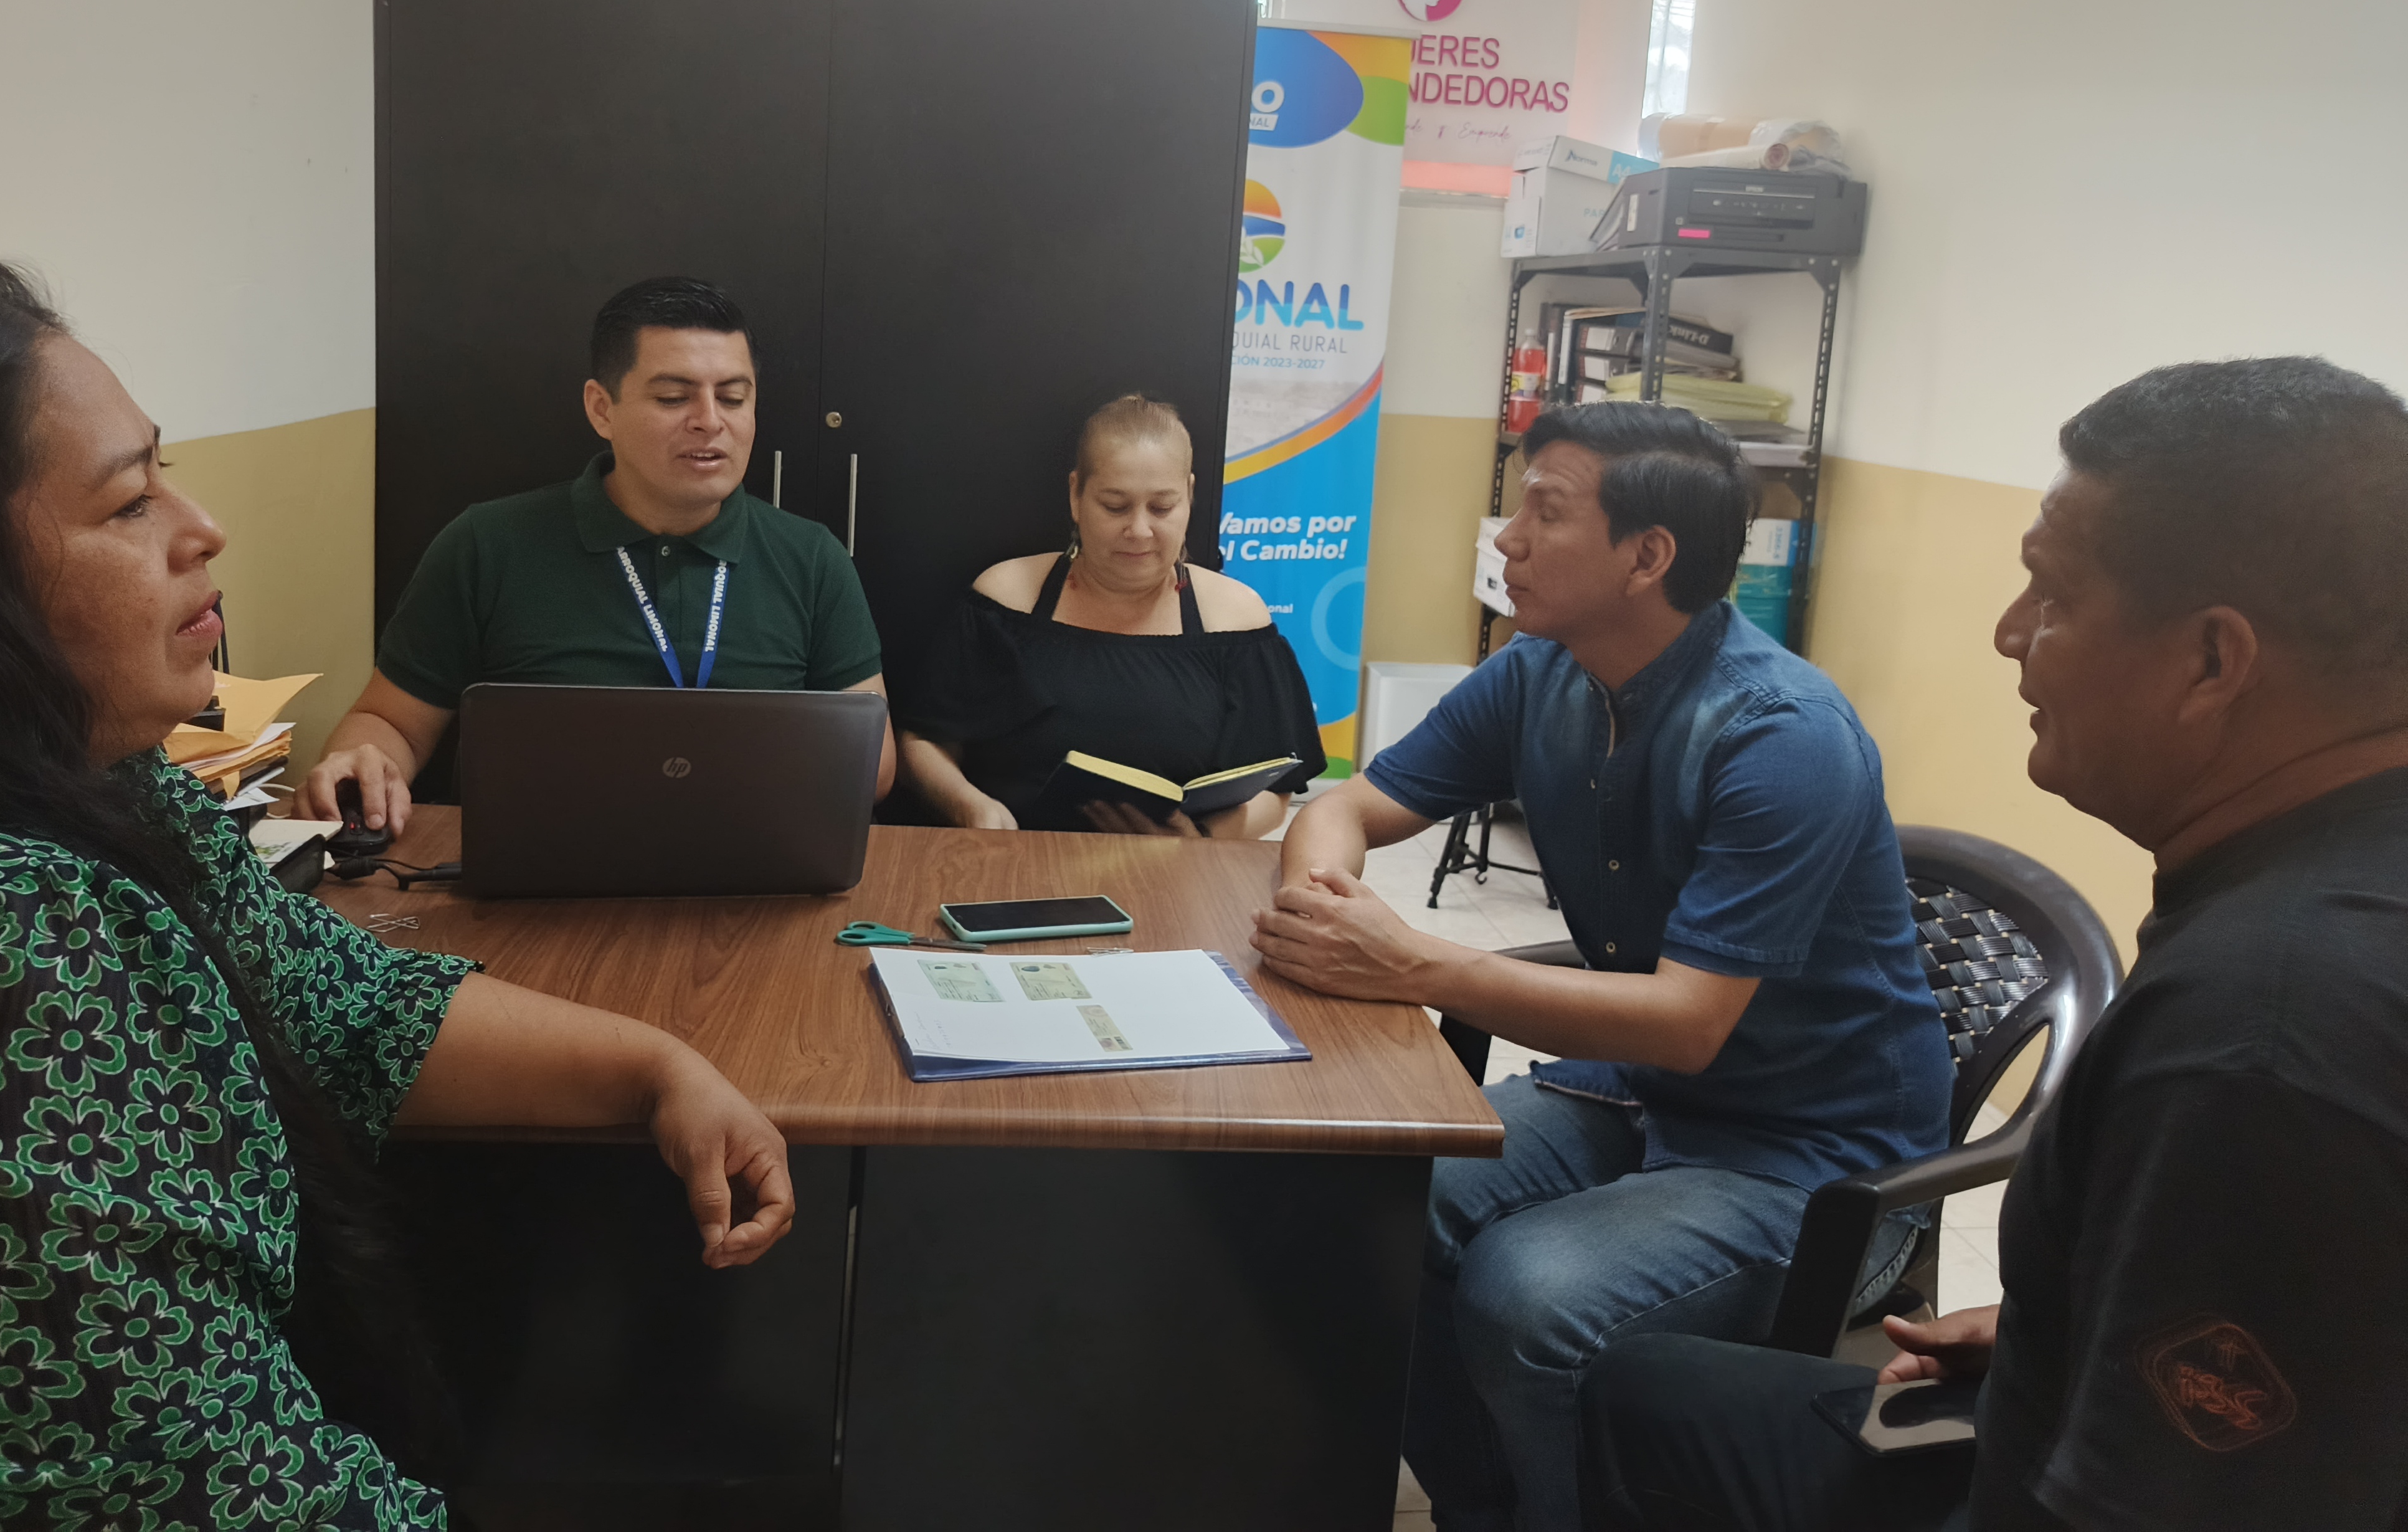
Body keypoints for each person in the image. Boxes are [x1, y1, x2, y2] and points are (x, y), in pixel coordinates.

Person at [0, 256, 801, 1527]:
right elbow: (191, 1478)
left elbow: (339, 998)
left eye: (166, 471)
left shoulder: (119, 778)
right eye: (128, 504)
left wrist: (656, 1067)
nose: (202, 528)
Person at [1572, 357, 2408, 1532]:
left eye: (2051, 596)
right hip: (2077, 1394)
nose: (2011, 634)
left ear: (2212, 662)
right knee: (1652, 1390)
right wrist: (2059, 1329)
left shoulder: (2252, 1046)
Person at [1253, 402, 1951, 1532]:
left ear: (1646, 556)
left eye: (1545, 511)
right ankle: (1489, 1507)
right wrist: (1321, 901)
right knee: (1357, 1206)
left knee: (1526, 1291)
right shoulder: (1540, 671)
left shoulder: (1781, 734)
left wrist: (1413, 964)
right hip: (1633, 1094)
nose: (1508, 539)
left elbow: (1686, 1023)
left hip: (1811, 1160)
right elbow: (1350, 806)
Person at [298, 277, 891, 837]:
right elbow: (392, 722)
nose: (710, 422)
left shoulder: (810, 557)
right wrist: (363, 762)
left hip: (757, 859)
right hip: (538, 866)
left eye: (733, 398)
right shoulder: (487, 543)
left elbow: (875, 761)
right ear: (602, 409)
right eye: (673, 397)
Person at [896, 393, 1324, 837]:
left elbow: (1275, 790)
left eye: (1162, 507)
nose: (1139, 530)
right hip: (1014, 859)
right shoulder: (1007, 599)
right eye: (1115, 506)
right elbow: (923, 741)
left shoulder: (1236, 617)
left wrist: (1203, 838)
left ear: (1190, 496)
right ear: (1076, 495)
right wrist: (972, 808)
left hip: (1176, 867)